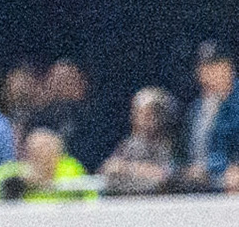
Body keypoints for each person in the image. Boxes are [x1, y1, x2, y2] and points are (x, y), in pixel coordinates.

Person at [182, 40, 239, 193]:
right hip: (200, 182)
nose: (208, 74)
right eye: (204, 68)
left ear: (229, 68)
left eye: (215, 66)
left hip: (229, 181)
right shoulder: (197, 108)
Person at [100, 88, 179, 195]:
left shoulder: (170, 144)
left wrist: (127, 168)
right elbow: (109, 171)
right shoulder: (128, 145)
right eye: (139, 113)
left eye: (149, 114)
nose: (143, 119)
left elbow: (165, 177)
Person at [0, 127, 88, 201]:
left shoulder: (70, 168)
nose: (42, 156)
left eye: (47, 149)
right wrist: (19, 181)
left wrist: (46, 182)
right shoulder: (19, 169)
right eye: (35, 151)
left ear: (58, 153)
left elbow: (89, 193)